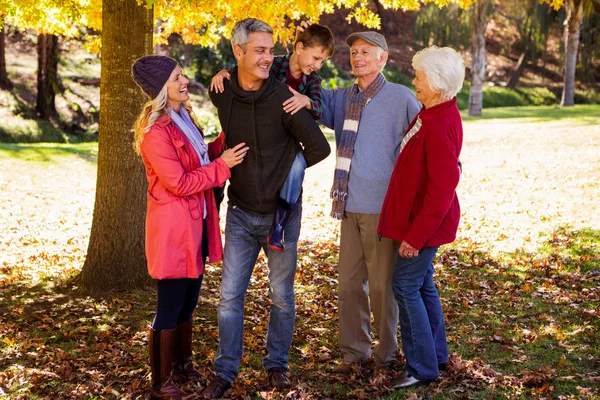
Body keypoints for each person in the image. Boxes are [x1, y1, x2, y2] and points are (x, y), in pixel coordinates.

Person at [202, 18, 330, 399]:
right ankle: (225, 370)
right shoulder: (222, 93)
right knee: (229, 297)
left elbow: (320, 149)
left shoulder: (284, 98)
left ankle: (277, 365)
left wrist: (286, 167)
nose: (267, 57)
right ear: (238, 52)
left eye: (270, 50)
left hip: (281, 215)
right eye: (258, 50)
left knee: (281, 295)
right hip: (241, 212)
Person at [131, 55, 249, 399]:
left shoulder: (184, 120)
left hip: (195, 224)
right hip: (173, 230)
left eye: (182, 75)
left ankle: (182, 366)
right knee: (169, 305)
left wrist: (224, 141)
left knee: (188, 302)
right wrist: (222, 166)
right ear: (160, 90)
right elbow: (179, 182)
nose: (185, 82)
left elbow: (200, 159)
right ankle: (160, 383)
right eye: (177, 78)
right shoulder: (156, 133)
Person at [319, 32, 422, 374]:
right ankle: (354, 355)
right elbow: (302, 89)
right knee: (349, 285)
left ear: (383, 59)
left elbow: (426, 142)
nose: (357, 57)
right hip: (348, 205)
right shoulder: (343, 98)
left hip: (384, 210)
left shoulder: (402, 98)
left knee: (381, 287)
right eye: (353, 52)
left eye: (366, 52)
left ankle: (386, 355)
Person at [378, 46, 465, 388]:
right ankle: (436, 355)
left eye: (419, 76)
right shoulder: (432, 111)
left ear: (439, 83)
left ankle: (420, 367)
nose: (413, 81)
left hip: (426, 226)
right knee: (422, 284)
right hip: (418, 222)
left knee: (405, 285)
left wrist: (415, 237)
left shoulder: (440, 121)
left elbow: (442, 188)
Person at [210, 23, 335, 252]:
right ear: (299, 48)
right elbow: (244, 67)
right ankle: (213, 208)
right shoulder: (274, 62)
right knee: (225, 154)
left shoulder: (312, 80)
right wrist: (222, 72)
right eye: (315, 58)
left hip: (289, 140)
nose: (317, 65)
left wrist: (305, 101)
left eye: (322, 62)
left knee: (295, 167)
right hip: (260, 129)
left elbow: (318, 108)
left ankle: (279, 222)